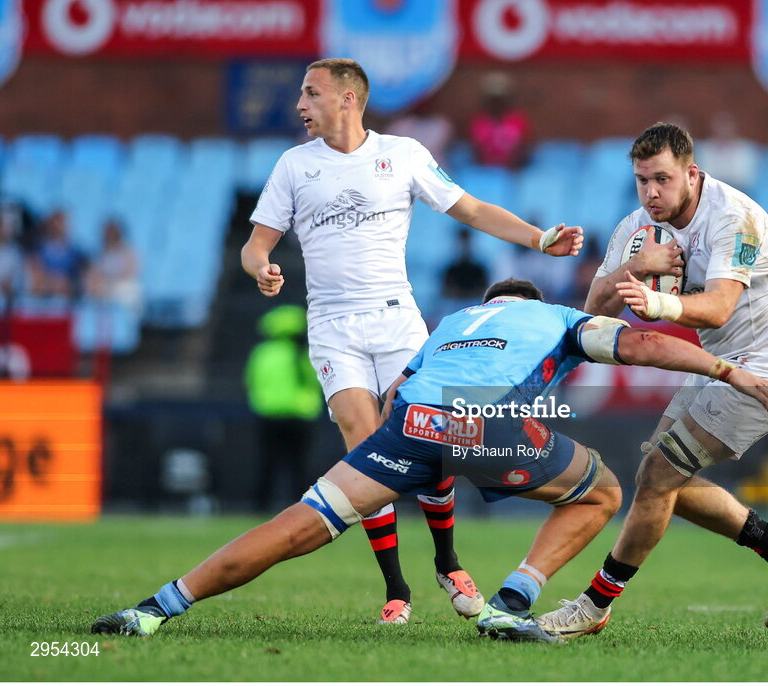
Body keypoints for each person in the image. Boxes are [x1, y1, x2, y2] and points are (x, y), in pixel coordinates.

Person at [91, 278, 768, 642]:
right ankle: (510, 601)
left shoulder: (452, 323)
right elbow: (640, 346)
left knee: (302, 520)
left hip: (411, 423)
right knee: (600, 491)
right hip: (483, 421)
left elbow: (399, 392)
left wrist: (418, 463)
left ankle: (158, 607)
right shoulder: (554, 318)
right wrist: (725, 372)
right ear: (528, 299)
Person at [241, 58, 583, 624]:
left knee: (431, 438)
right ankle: (396, 588)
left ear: (348, 99)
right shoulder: (293, 166)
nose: (300, 104)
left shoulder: (402, 154)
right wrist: (261, 266)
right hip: (332, 326)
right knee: (364, 445)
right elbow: (256, 244)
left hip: (398, 320)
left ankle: (447, 561)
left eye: (311, 92)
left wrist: (539, 238)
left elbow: (469, 207)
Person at [536, 122, 768, 639]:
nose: (651, 193)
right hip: (723, 363)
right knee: (661, 474)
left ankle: (594, 605)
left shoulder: (736, 220)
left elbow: (717, 309)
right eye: (642, 181)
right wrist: (636, 265)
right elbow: (592, 310)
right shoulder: (639, 229)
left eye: (663, 179)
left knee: (660, 474)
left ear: (692, 173)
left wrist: (658, 301)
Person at [245, 305, 324, 511]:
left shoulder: (262, 353)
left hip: (268, 415)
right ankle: (303, 508)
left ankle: (259, 508)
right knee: (299, 465)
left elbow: (252, 381)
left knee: (267, 463)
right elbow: (315, 380)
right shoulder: (304, 353)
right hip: (300, 416)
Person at [467, 72, 530, 170]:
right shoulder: (479, 122)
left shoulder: (517, 121)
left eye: (500, 99)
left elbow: (526, 149)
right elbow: (474, 152)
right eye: (493, 99)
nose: (497, 103)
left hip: (513, 174)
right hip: (485, 173)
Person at [27, 210, 86, 300]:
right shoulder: (38, 249)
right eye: (56, 222)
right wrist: (53, 284)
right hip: (44, 299)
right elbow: (36, 280)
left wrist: (66, 284)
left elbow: (80, 280)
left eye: (62, 223)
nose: (58, 227)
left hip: (69, 300)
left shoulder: (76, 253)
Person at [84, 219, 141, 310]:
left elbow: (129, 274)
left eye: (112, 232)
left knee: (129, 289)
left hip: (121, 290)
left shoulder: (129, 252)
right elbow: (92, 276)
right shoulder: (98, 254)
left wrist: (108, 282)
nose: (109, 236)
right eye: (107, 233)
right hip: (103, 290)